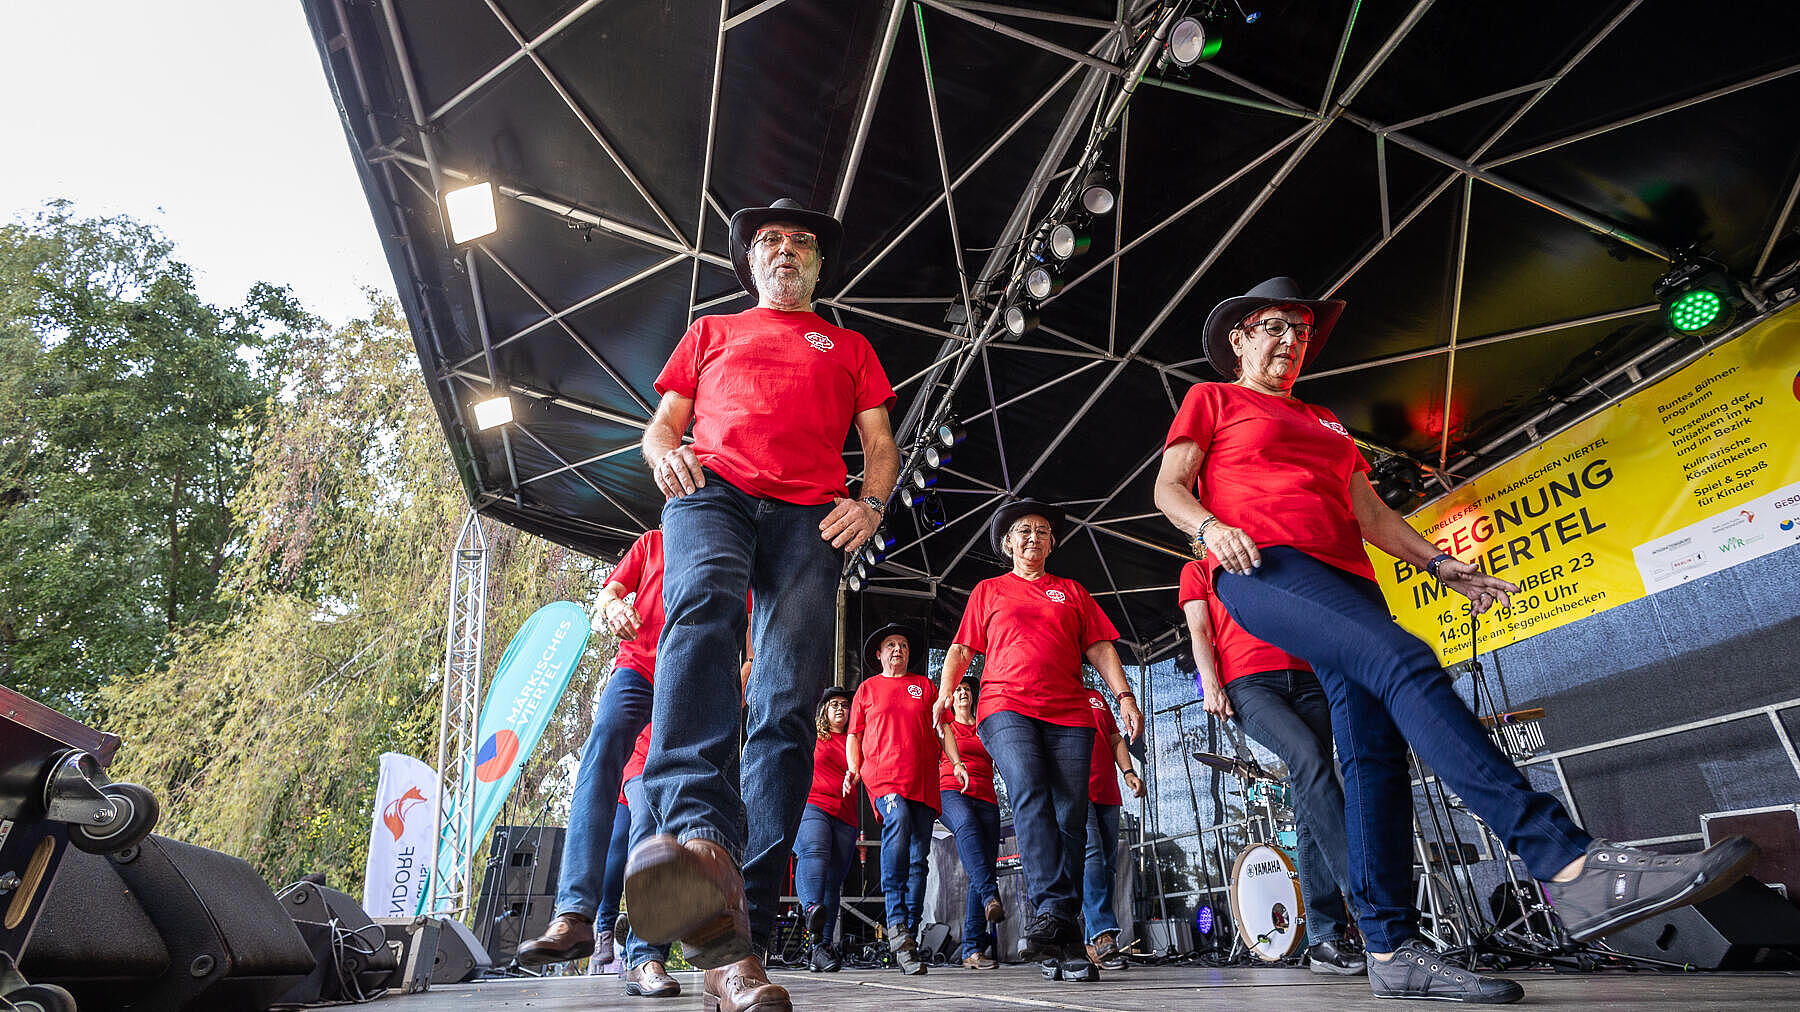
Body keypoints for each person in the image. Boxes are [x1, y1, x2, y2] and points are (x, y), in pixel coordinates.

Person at [1152, 277, 1757, 1003]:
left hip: (1351, 581)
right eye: (1277, 327)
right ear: (1241, 337)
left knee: (1373, 754)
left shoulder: (1325, 422)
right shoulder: (1214, 400)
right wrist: (1211, 528)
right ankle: (1566, 862)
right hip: (1262, 566)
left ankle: (1392, 949)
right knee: (1406, 660)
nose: (1292, 342)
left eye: (1303, 332)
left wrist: (1441, 566)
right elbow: (1168, 488)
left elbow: (1370, 516)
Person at [625, 197, 899, 1012]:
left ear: (819, 266)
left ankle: (730, 920)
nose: (785, 251)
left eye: (802, 244)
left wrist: (873, 503)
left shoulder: (848, 345)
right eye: (770, 241)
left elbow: (880, 445)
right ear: (750, 262)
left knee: (786, 701)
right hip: (715, 488)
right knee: (703, 607)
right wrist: (661, 453)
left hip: (812, 515)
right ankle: (694, 831)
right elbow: (662, 424)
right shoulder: (712, 332)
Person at [936, 499, 1144, 982]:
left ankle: (1062, 935)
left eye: (1043, 531)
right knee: (1029, 787)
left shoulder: (1071, 592)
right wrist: (945, 695)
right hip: (1005, 706)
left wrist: (1125, 697)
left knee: (1071, 813)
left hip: (1070, 713)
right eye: (1024, 531)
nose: (1033, 538)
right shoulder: (989, 591)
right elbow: (963, 648)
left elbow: (1099, 647)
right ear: (1007, 542)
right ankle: (1054, 907)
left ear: (1053, 542)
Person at [1179, 558, 1366, 975]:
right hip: (1248, 682)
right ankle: (1368, 907)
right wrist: (1210, 682)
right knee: (1309, 760)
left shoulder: (1272, 556)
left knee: (1310, 797)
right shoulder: (1198, 569)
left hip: (1308, 678)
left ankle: (1325, 938)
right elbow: (1199, 630)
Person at [517, 529, 666, 966]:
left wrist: (745, 671)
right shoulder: (652, 541)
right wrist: (616, 605)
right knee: (599, 752)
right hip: (636, 667)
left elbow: (752, 627)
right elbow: (609, 594)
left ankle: (645, 955)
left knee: (653, 813)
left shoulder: (726, 539)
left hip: (687, 679)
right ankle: (574, 915)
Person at [844, 624, 967, 975]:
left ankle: (909, 939)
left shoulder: (925, 687)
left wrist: (956, 763)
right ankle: (897, 923)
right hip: (885, 778)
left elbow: (942, 728)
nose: (898, 649)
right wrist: (853, 769)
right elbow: (854, 735)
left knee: (919, 860)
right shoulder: (867, 689)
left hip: (923, 783)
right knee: (896, 822)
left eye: (903, 645)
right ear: (878, 654)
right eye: (890, 645)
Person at [936, 677, 1004, 970]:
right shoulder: (944, 726)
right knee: (965, 824)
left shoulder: (985, 726)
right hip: (950, 791)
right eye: (958, 689)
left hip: (987, 797)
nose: (963, 693)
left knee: (983, 868)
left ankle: (972, 950)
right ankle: (991, 895)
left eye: (967, 690)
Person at [793, 686, 860, 973]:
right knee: (815, 851)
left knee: (833, 882)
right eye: (834, 704)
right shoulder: (811, 736)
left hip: (846, 815)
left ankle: (821, 948)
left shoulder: (856, 742)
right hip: (813, 805)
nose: (840, 709)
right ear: (823, 710)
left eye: (845, 705)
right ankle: (811, 915)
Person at [1080, 687, 1145, 972]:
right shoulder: (1052, 692)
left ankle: (1092, 946)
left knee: (1107, 866)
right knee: (1092, 855)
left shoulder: (1096, 696)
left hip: (1107, 791)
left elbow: (1116, 738)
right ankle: (1104, 933)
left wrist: (1128, 772)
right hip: (1074, 792)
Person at [615, 723, 679, 997]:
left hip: (687, 768)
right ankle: (644, 956)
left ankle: (645, 948)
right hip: (644, 763)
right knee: (652, 841)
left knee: (677, 855)